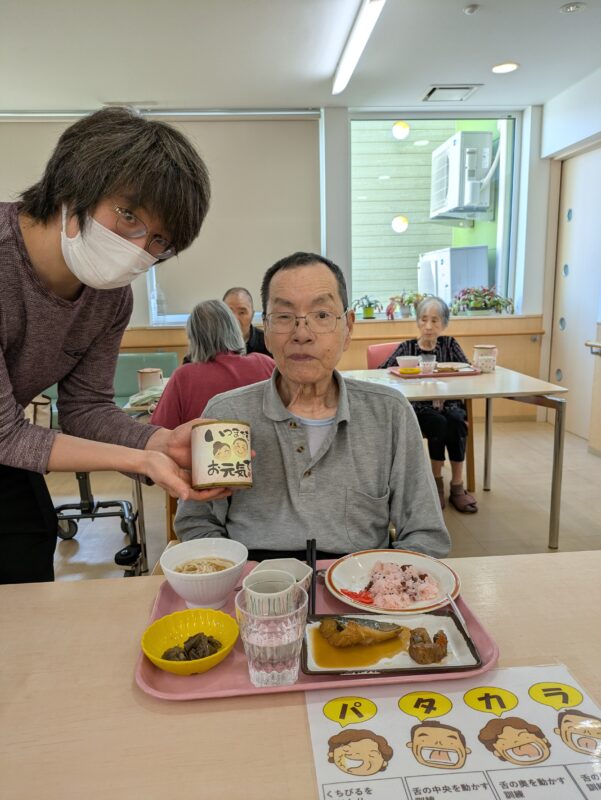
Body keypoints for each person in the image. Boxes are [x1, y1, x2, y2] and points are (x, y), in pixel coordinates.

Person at [0, 107, 229, 585]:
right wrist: (139, 458)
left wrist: (160, 441)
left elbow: (85, 408)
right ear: (72, 186)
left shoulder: (110, 298)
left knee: (31, 539)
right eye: (128, 216)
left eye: (160, 241)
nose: (139, 249)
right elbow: (6, 435)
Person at [174, 252, 450, 561]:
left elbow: (425, 534)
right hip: (253, 577)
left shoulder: (389, 414)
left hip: (360, 578)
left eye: (321, 315)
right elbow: (197, 523)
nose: (302, 334)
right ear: (266, 330)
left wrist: (384, 582)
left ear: (348, 327)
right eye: (284, 316)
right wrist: (239, 576)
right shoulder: (227, 414)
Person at [379, 296, 478, 513]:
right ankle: (436, 482)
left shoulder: (449, 344)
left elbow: (468, 370)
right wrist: (403, 372)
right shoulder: (407, 347)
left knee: (456, 421)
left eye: (435, 320)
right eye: (424, 320)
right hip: (420, 407)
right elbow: (381, 371)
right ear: (417, 321)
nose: (428, 326)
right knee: (438, 423)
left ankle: (457, 485)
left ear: (444, 323)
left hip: (450, 403)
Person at [150, 300, 274, 430]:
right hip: (261, 442)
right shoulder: (266, 364)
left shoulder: (183, 377)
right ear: (235, 330)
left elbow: (160, 431)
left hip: (202, 443)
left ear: (193, 338)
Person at [223, 286, 271, 356]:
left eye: (242, 312)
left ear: (252, 315)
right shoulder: (213, 344)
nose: (235, 319)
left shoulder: (268, 343)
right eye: (229, 312)